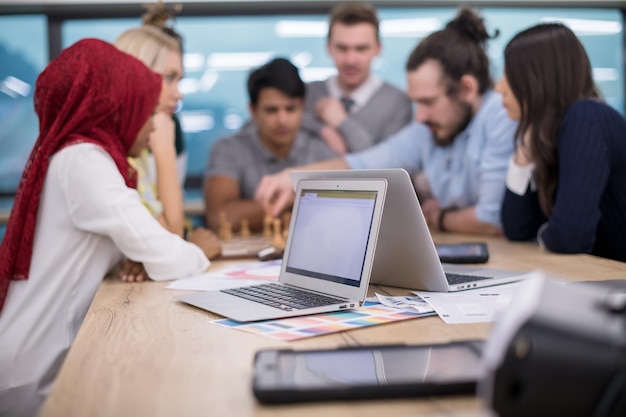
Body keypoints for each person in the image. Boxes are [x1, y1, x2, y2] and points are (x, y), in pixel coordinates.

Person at [0, 39, 218, 416]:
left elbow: (137, 247)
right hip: (30, 378)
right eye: (147, 111)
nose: (153, 125)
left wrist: (133, 256)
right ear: (119, 107)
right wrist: (199, 247)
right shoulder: (85, 161)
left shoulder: (81, 157)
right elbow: (169, 254)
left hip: (39, 359)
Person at [255, 7, 517, 236]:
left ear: (467, 90)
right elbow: (362, 164)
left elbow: (492, 220)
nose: (420, 117)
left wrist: (440, 217)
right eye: (417, 103)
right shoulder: (426, 130)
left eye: (428, 102)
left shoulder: (500, 115)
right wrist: (293, 178)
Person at [496, 23, 626, 262]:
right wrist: (523, 155)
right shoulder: (553, 132)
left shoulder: (586, 117)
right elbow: (516, 231)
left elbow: (569, 238)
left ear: (537, 79)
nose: (499, 87)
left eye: (509, 75)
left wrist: (546, 235)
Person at [204, 58, 336, 232]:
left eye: (290, 109)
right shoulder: (228, 149)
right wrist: (295, 198)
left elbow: (338, 212)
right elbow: (220, 217)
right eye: (271, 110)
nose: (282, 120)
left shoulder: (322, 150)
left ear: (303, 106)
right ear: (253, 110)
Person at [301, 2, 412, 155]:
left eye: (361, 49)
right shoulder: (308, 92)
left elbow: (389, 166)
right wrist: (321, 129)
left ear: (378, 49)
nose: (350, 60)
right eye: (342, 48)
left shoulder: (398, 102)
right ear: (328, 48)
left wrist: (342, 122)